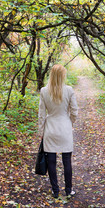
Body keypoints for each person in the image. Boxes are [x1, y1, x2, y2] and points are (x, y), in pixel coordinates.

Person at [38, 64, 78, 198]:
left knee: (51, 162)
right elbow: (74, 111)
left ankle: (55, 191)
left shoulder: (44, 91)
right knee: (67, 160)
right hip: (65, 128)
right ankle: (68, 190)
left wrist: (41, 131)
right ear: (62, 76)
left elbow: (41, 115)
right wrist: (70, 121)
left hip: (50, 128)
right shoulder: (69, 90)